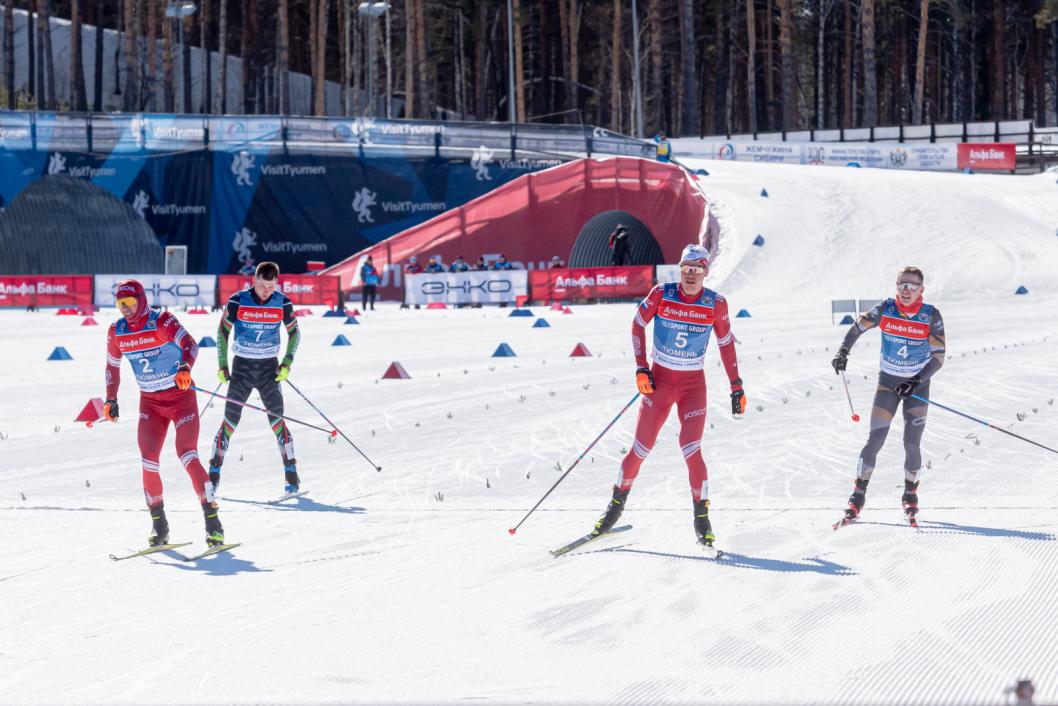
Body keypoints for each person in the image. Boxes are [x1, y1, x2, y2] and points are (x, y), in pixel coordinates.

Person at [591, 244, 745, 549]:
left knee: (691, 449)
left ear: (705, 272)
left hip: (692, 387)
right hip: (659, 382)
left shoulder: (716, 303)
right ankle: (614, 508)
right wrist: (641, 368)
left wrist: (736, 385)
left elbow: (726, 343)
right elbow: (637, 324)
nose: (690, 274)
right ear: (680, 269)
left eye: (697, 269)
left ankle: (702, 518)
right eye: (686, 268)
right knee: (641, 448)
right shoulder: (663, 293)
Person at [103, 279, 224, 547]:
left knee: (187, 455)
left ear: (142, 300)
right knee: (148, 461)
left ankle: (212, 521)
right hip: (150, 405)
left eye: (130, 303)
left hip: (180, 398)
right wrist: (111, 398)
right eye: (120, 304)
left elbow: (191, 345)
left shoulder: (162, 321)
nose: (126, 309)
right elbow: (112, 367)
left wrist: (184, 367)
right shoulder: (117, 331)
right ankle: (160, 525)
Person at [831, 266, 945, 527]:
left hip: (917, 386)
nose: (906, 290)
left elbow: (938, 357)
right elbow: (858, 327)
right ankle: (857, 497)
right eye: (901, 285)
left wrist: (916, 381)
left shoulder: (931, 316)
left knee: (911, 443)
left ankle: (910, 494)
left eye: (912, 286)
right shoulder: (886, 310)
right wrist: (843, 351)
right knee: (876, 438)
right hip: (888, 383)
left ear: (921, 290)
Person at [210, 262, 302, 497]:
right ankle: (212, 476)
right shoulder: (238, 300)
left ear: (276, 284)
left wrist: (287, 362)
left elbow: (294, 333)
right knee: (230, 421)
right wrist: (222, 364)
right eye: (262, 286)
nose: (265, 291)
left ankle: (291, 476)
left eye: (270, 286)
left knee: (277, 419)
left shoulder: (282, 301)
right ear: (254, 280)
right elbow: (222, 332)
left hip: (268, 369)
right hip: (241, 367)